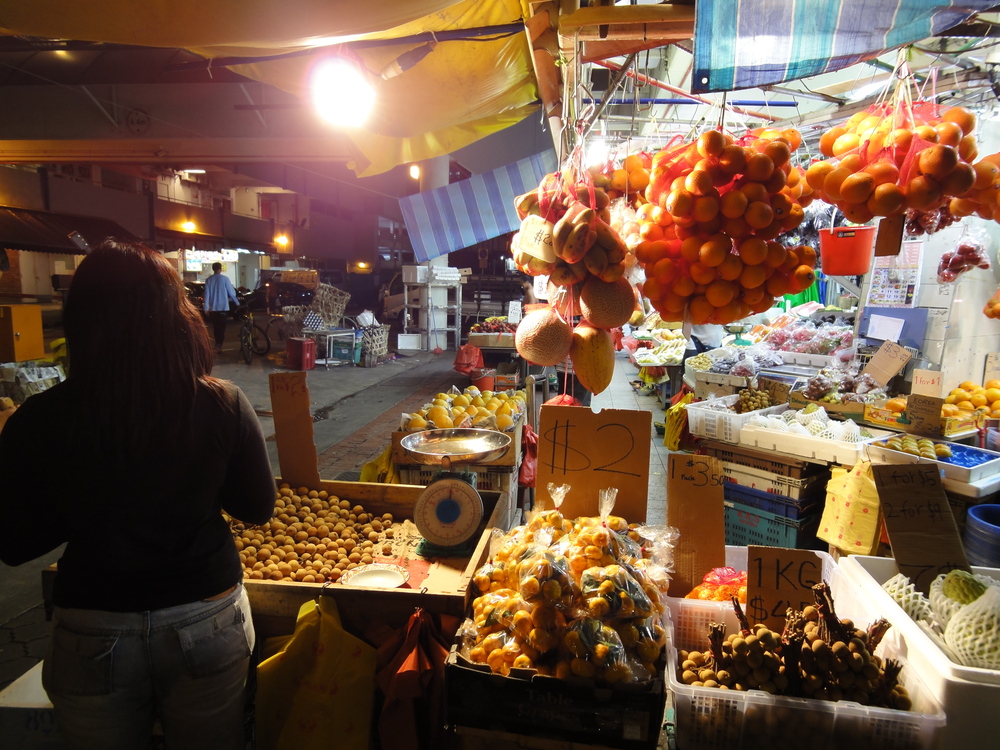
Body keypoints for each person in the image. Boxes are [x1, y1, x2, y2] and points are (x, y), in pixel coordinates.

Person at [0, 239, 276, 750]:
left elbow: (14, 544)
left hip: (92, 628)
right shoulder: (221, 404)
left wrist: (87, 500)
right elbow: (257, 508)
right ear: (175, 319)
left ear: (80, 322)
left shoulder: (38, 420)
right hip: (206, 620)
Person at [204, 261, 239, 352]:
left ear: (213, 269)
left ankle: (217, 344)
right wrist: (237, 302)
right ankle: (219, 345)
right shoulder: (225, 279)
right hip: (223, 307)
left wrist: (206, 308)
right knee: (222, 327)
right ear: (221, 269)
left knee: (216, 327)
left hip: (214, 308)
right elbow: (231, 293)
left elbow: (206, 295)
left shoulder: (209, 280)